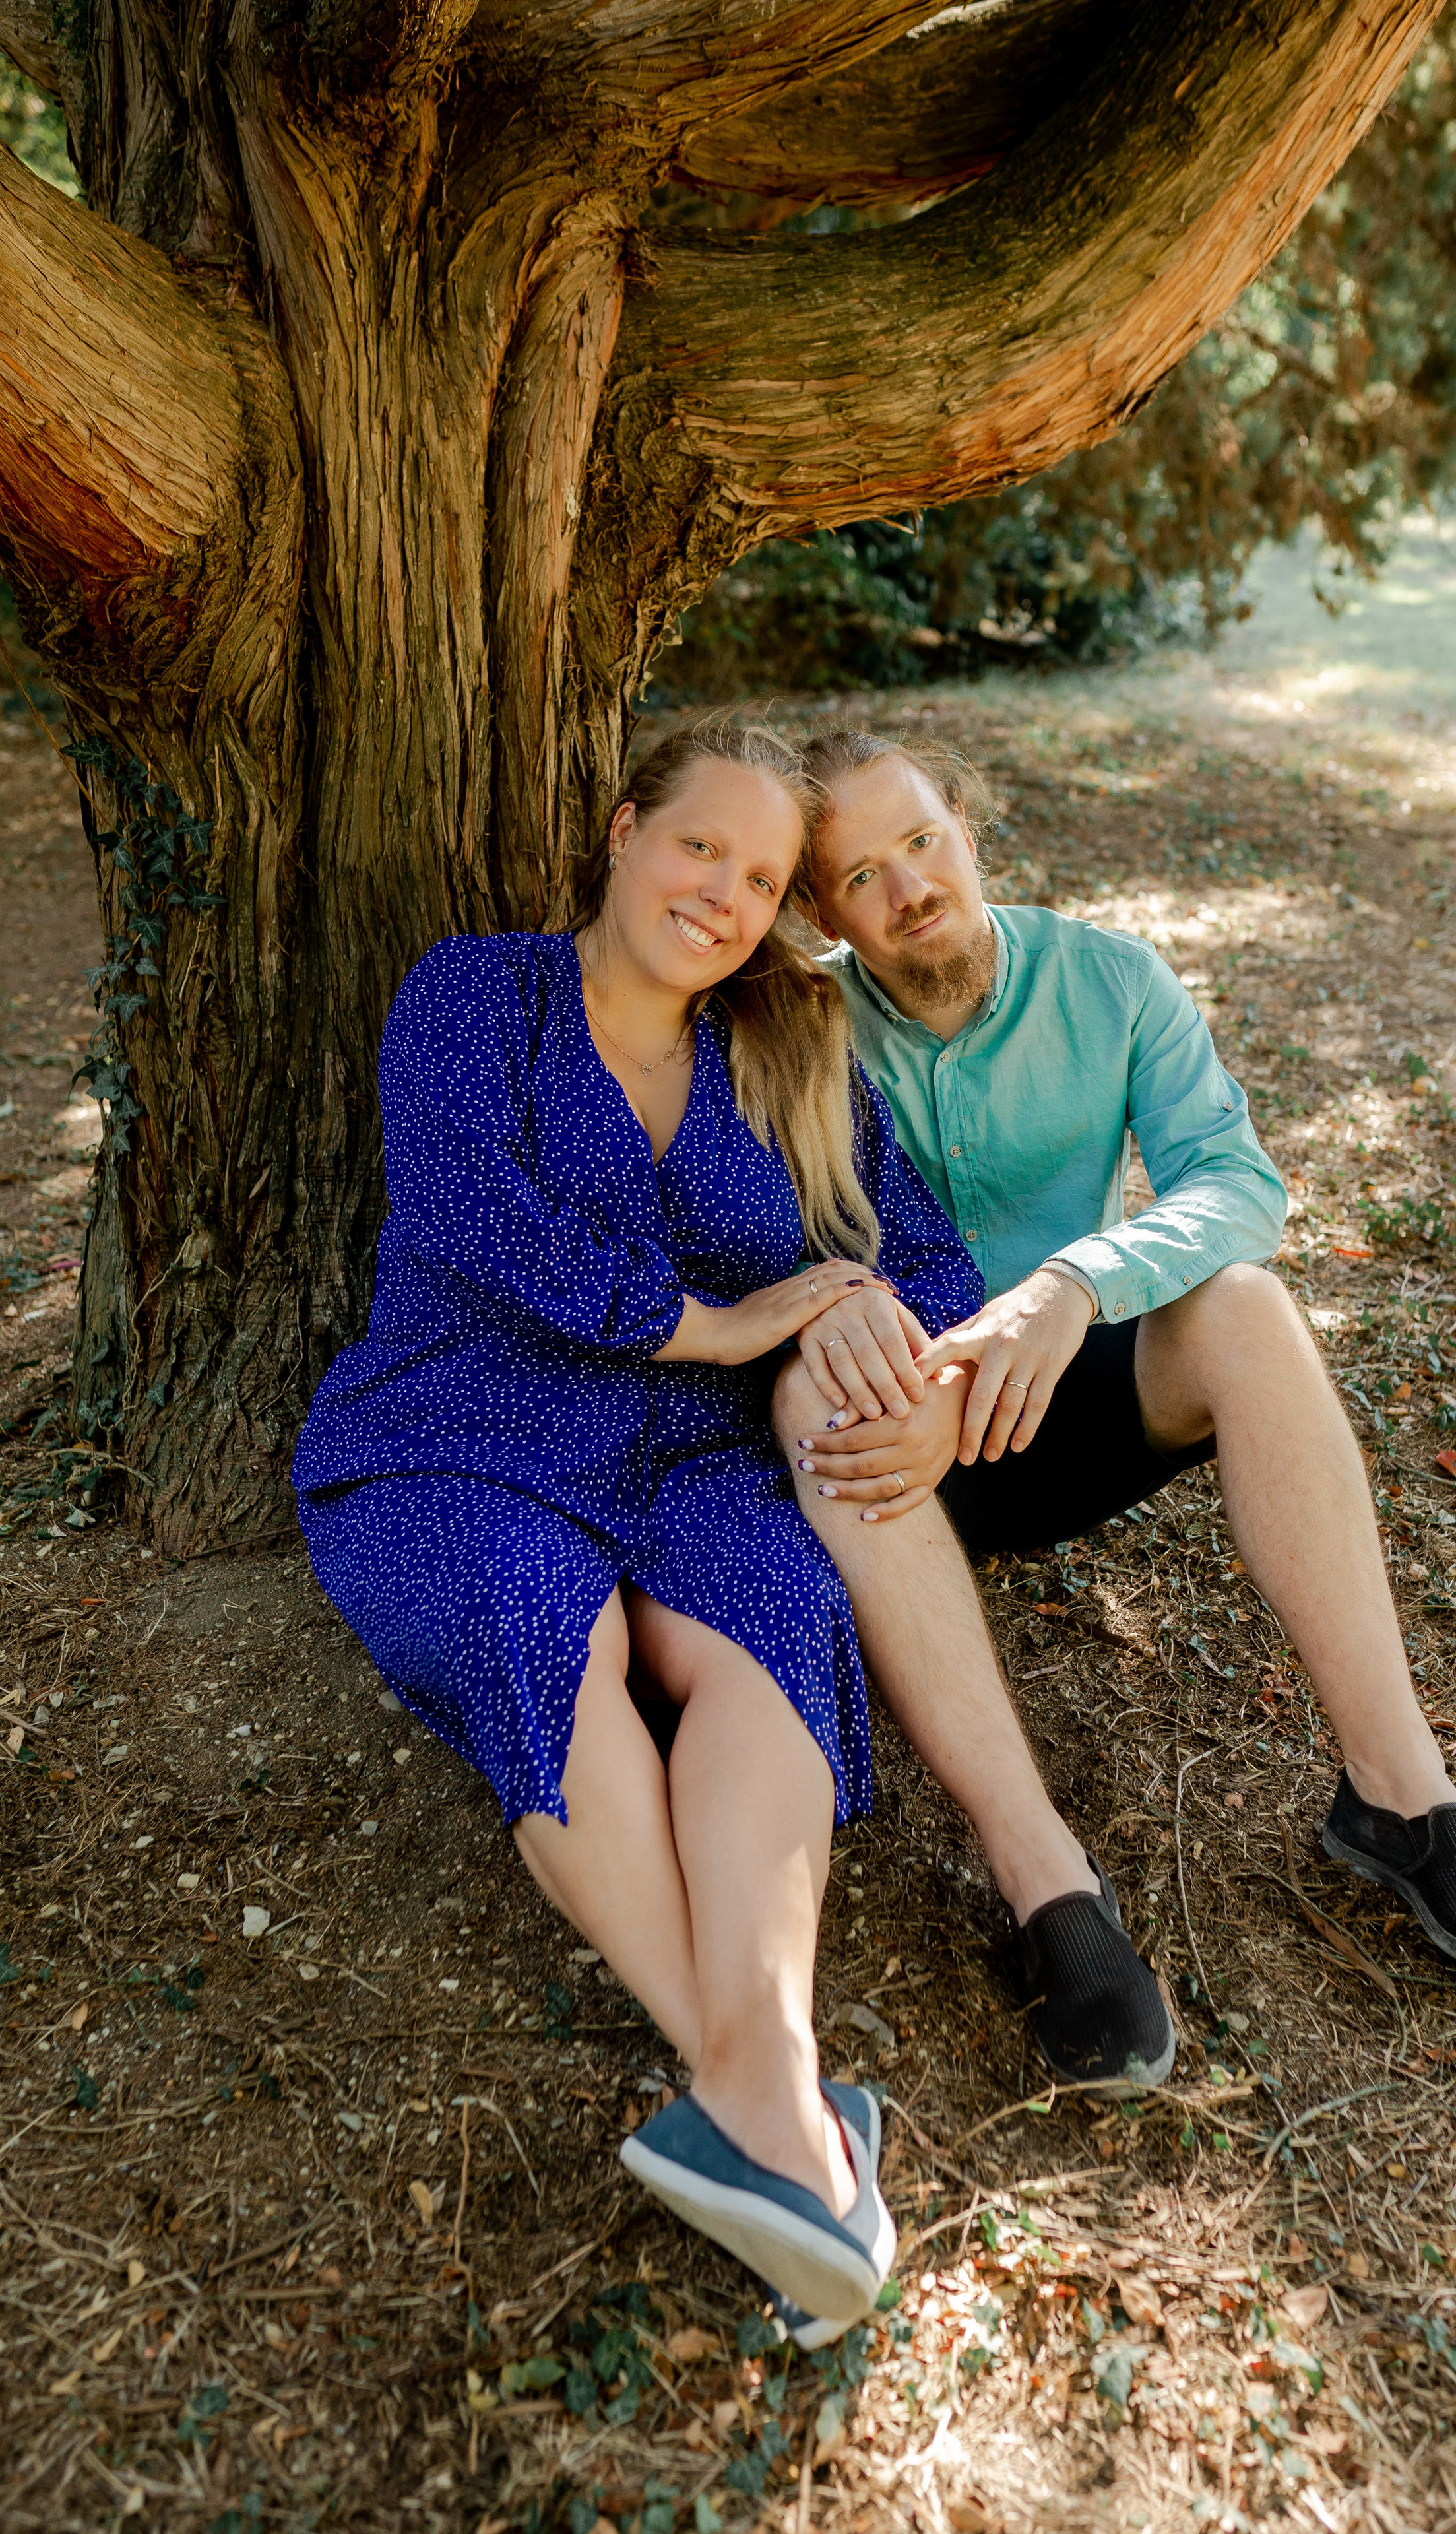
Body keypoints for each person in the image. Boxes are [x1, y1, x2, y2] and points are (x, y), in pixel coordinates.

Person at [291, 717, 986, 2326]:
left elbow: (927, 1262)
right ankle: (792, 2128)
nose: (725, 895)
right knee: (546, 1626)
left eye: (758, 878)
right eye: (699, 848)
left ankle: (762, 2109)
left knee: (772, 1621)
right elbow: (476, 1219)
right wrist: (732, 1325)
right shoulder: (477, 995)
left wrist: (889, 1333)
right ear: (619, 833)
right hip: (455, 1433)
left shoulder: (787, 1052)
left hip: (697, 1465)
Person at [764, 729, 1456, 2095]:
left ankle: (1398, 1794)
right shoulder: (796, 1026)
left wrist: (1078, 1281)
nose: (908, 888)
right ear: (821, 914)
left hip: (1061, 1399)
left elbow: (1233, 1184)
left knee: (1246, 1303)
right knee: (804, 1388)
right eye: (860, 875)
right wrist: (868, 1333)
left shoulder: (1108, 980)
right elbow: (741, 1227)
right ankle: (1046, 1885)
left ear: (966, 827)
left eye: (921, 842)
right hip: (898, 1445)